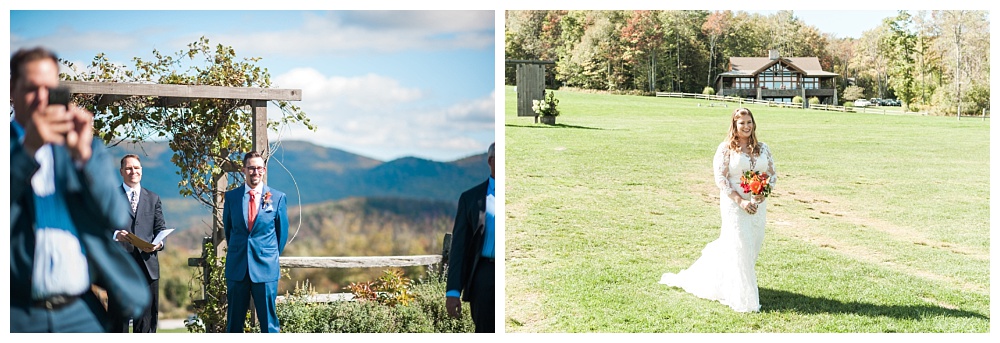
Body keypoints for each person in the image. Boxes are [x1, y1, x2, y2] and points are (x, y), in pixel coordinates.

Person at [10, 46, 150, 332]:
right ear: (11, 90)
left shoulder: (83, 148)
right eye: (31, 89)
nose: (41, 99)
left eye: (49, 89)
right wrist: (28, 151)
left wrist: (83, 158)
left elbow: (115, 215)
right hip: (15, 314)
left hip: (81, 312)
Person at [659, 107, 777, 313]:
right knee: (740, 245)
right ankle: (743, 298)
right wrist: (740, 201)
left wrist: (764, 192)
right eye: (741, 123)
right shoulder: (725, 149)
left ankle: (727, 280)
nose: (746, 126)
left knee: (752, 246)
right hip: (734, 204)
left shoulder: (763, 148)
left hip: (758, 205)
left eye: (749, 122)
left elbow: (772, 174)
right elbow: (721, 179)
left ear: (754, 124)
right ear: (734, 125)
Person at [223, 151, 288, 333]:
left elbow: (281, 236)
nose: (255, 172)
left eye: (259, 168)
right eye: (251, 168)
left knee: (269, 324)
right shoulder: (232, 197)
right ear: (244, 170)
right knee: (234, 324)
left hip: (265, 268)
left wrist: (266, 254)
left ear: (264, 170)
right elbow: (229, 231)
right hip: (238, 268)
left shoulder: (278, 197)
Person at [108, 154, 167, 333]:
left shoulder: (153, 198)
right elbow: (101, 227)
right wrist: (116, 234)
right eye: (129, 168)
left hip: (148, 265)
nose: (133, 171)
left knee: (147, 319)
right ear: (121, 172)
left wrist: (159, 244)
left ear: (141, 171)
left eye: (137, 168)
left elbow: (160, 229)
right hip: (120, 265)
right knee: (119, 317)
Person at [445, 142, 495, 332]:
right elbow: (459, 248)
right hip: (485, 277)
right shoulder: (470, 199)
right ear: (491, 161)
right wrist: (453, 291)